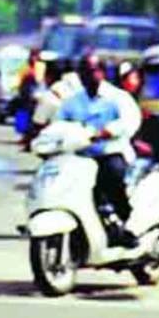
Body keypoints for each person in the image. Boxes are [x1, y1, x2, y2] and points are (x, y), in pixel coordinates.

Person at [55, 52, 142, 247]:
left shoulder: (118, 98)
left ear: (102, 72)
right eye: (83, 71)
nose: (87, 75)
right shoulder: (73, 101)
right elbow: (59, 123)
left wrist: (108, 131)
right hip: (79, 155)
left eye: (92, 70)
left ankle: (126, 223)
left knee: (112, 174)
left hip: (109, 153)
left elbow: (130, 121)